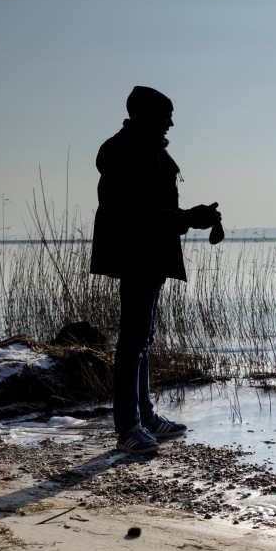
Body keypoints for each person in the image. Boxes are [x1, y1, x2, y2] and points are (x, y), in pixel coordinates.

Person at [90, 85, 222, 456]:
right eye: (166, 115)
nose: (171, 122)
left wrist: (191, 217)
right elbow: (133, 214)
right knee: (133, 340)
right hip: (136, 254)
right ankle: (128, 428)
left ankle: (145, 417)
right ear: (147, 115)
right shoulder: (124, 153)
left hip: (152, 255)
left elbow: (154, 211)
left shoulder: (148, 150)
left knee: (142, 338)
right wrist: (187, 218)